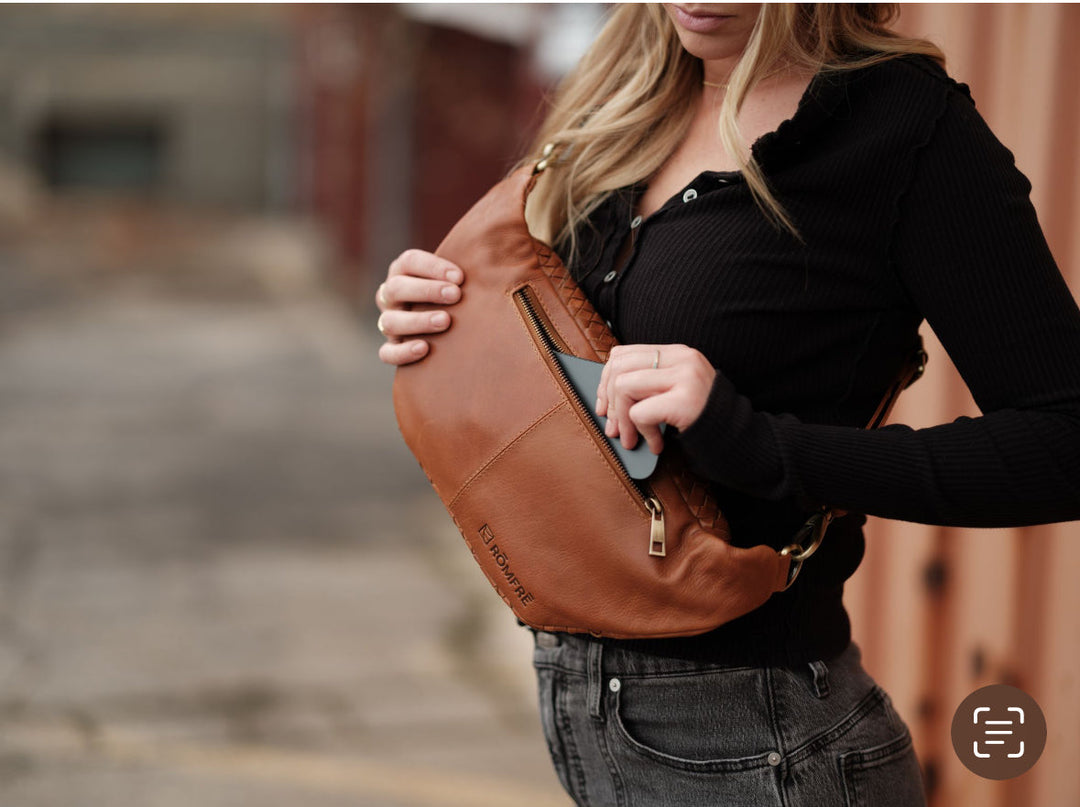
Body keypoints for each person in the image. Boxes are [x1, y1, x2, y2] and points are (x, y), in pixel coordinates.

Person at [376, 4, 1080, 805]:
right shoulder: (628, 95)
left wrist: (759, 444)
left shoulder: (903, 128)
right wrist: (446, 316)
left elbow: (1064, 443)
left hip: (765, 745)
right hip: (586, 716)